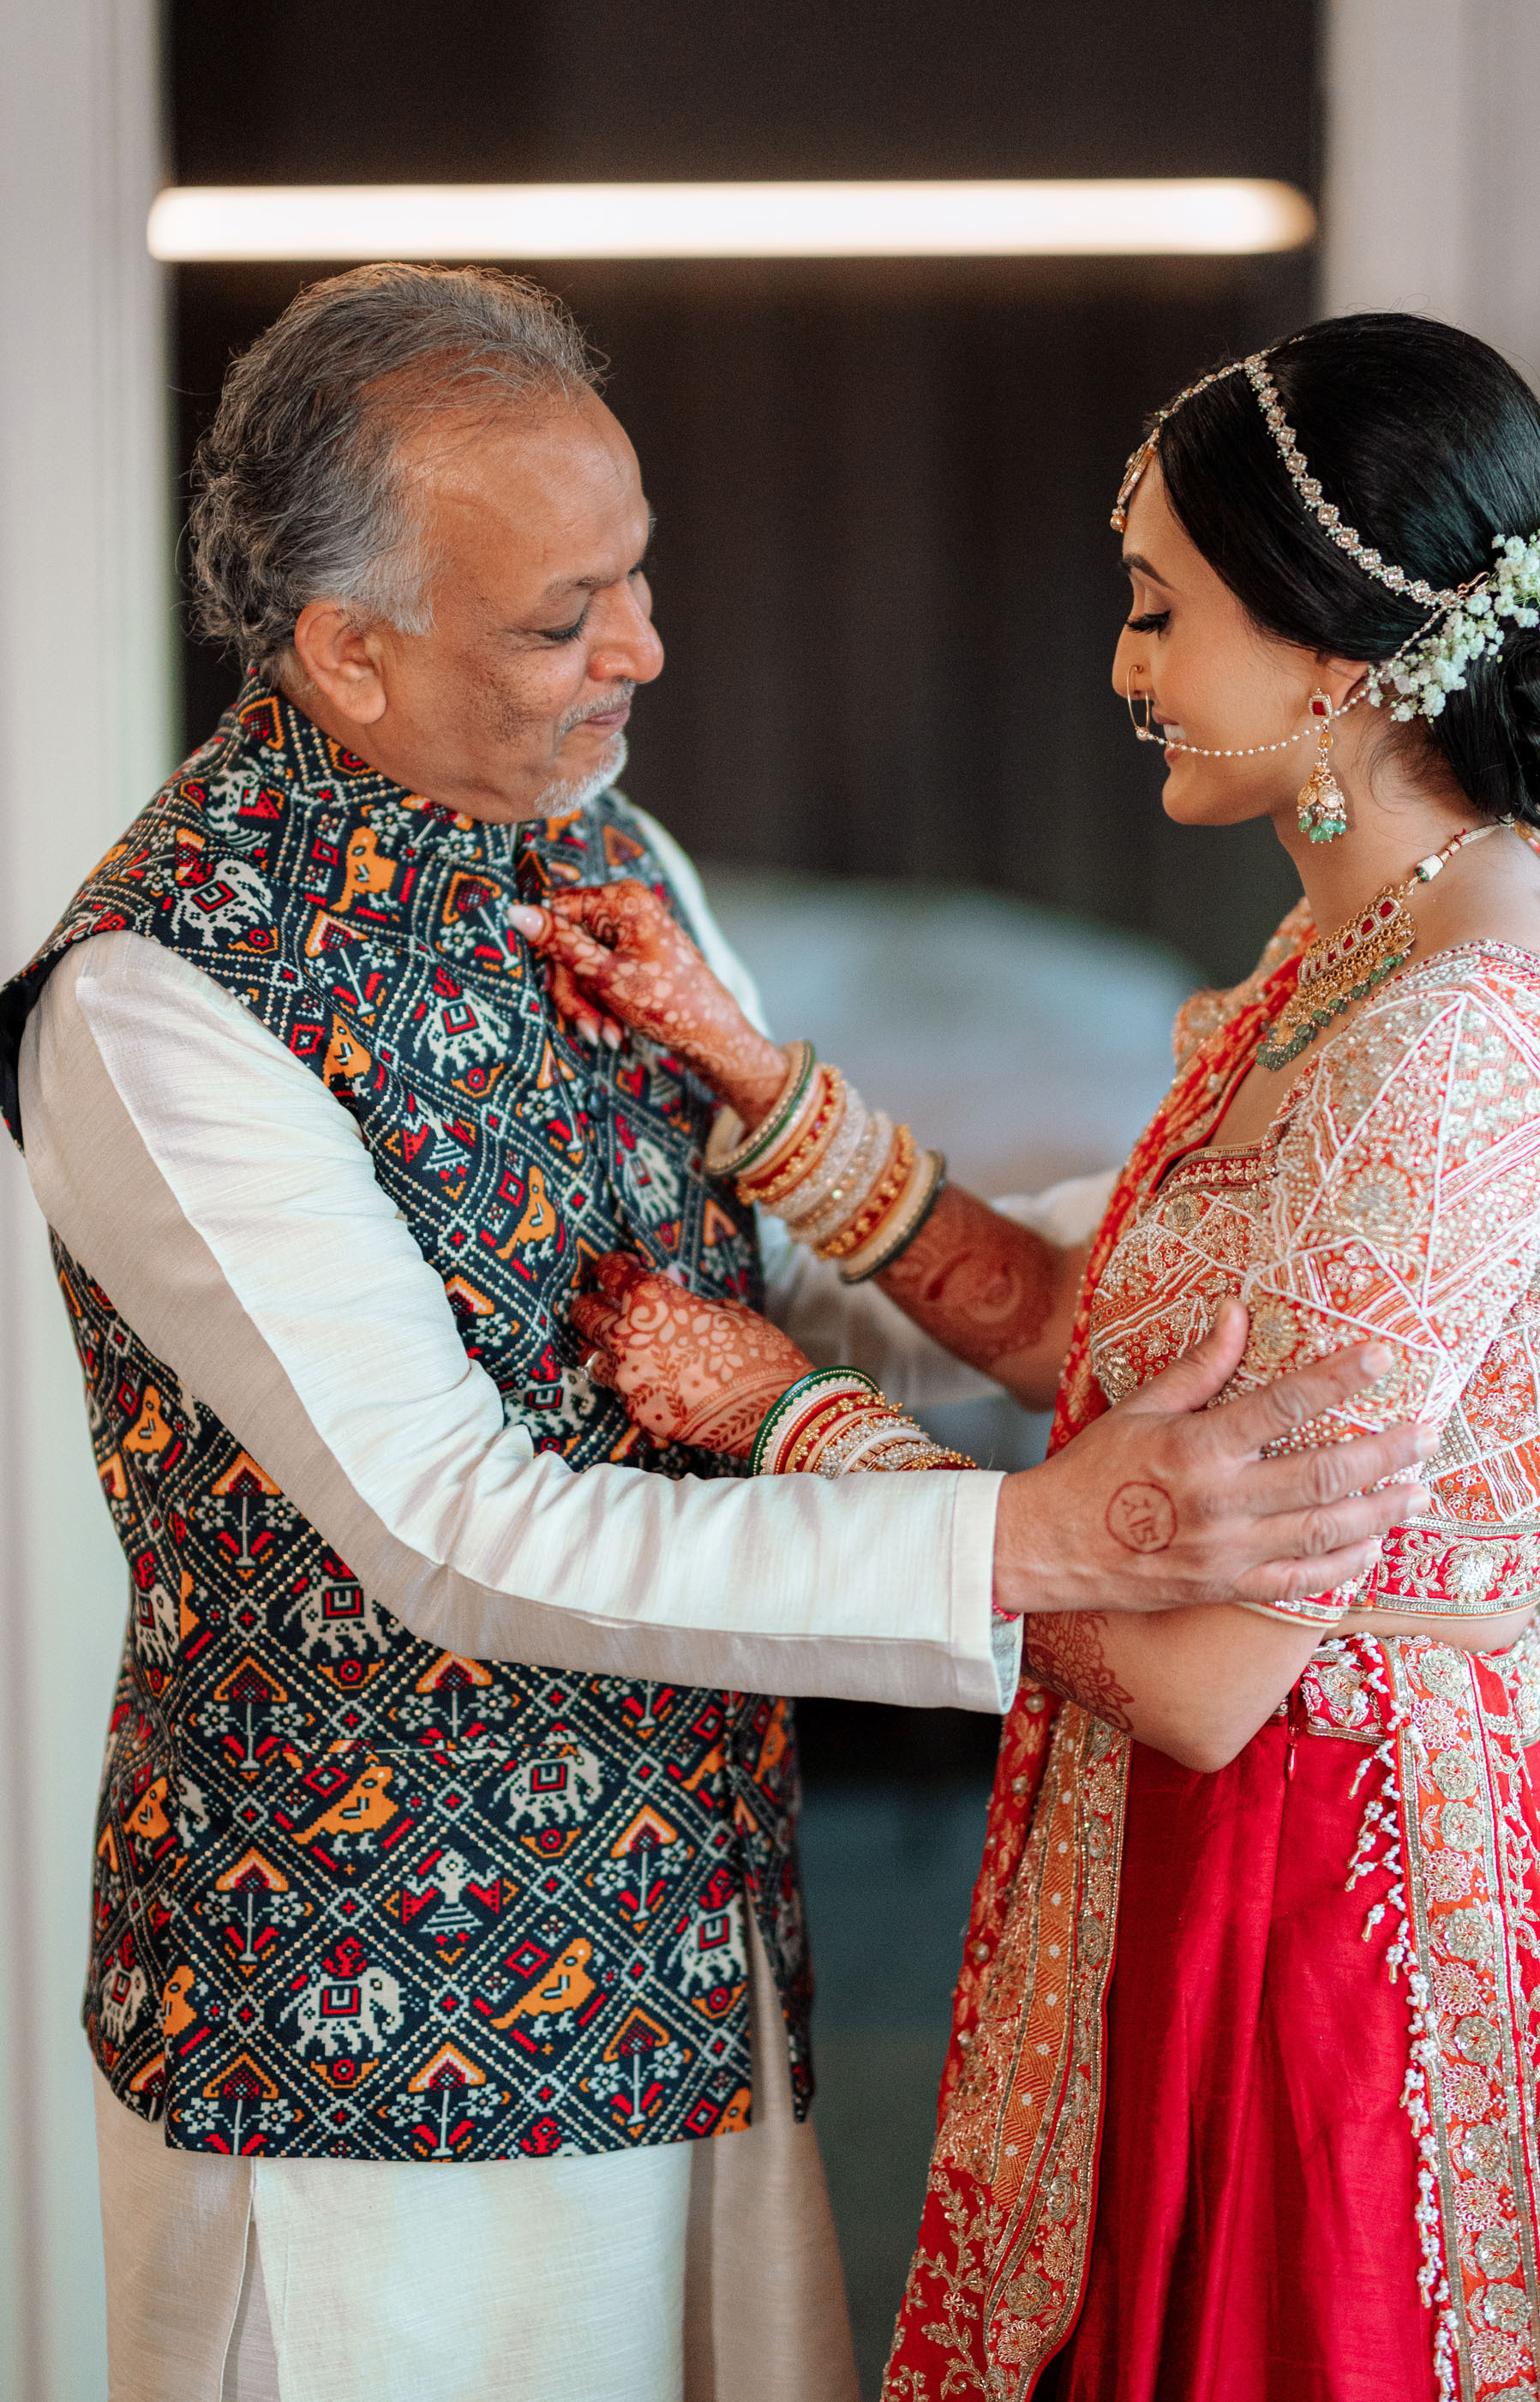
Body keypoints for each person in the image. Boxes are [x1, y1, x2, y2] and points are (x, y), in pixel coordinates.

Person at [0, 266, 1414, 2402]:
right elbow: (455, 1527)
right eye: (564, 619)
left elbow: (764, 1274)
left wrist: (1197, 1264)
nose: (643, 651)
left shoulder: (607, 843)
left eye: (637, 576)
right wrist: (1027, 1540)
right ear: (343, 649)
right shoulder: (154, 1006)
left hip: (691, 1946)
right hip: (370, 2020)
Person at [528, 312, 1540, 2397]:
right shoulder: (1360, 951)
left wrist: (785, 1419)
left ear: (1339, 656)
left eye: (1162, 610)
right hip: (1240, 1869)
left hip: (1338, 1939)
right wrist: (754, 1081)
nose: (1122, 667)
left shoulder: (1455, 1046)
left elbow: (1190, 1671)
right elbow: (1109, 1347)